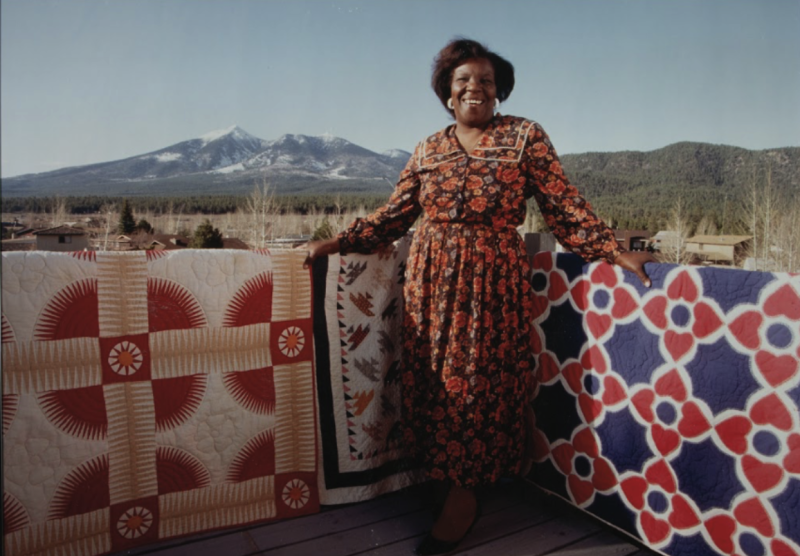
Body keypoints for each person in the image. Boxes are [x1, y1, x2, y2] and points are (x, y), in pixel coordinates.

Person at [302, 38, 656, 555]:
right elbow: (396, 214)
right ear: (448, 93)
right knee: (430, 380)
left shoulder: (525, 137)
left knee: (478, 387)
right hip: (429, 282)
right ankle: (445, 480)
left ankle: (466, 495)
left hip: (492, 283)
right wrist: (338, 242)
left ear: (499, 91)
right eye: (463, 80)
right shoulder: (428, 148)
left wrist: (612, 250)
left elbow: (562, 205)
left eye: (486, 81)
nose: (476, 88)